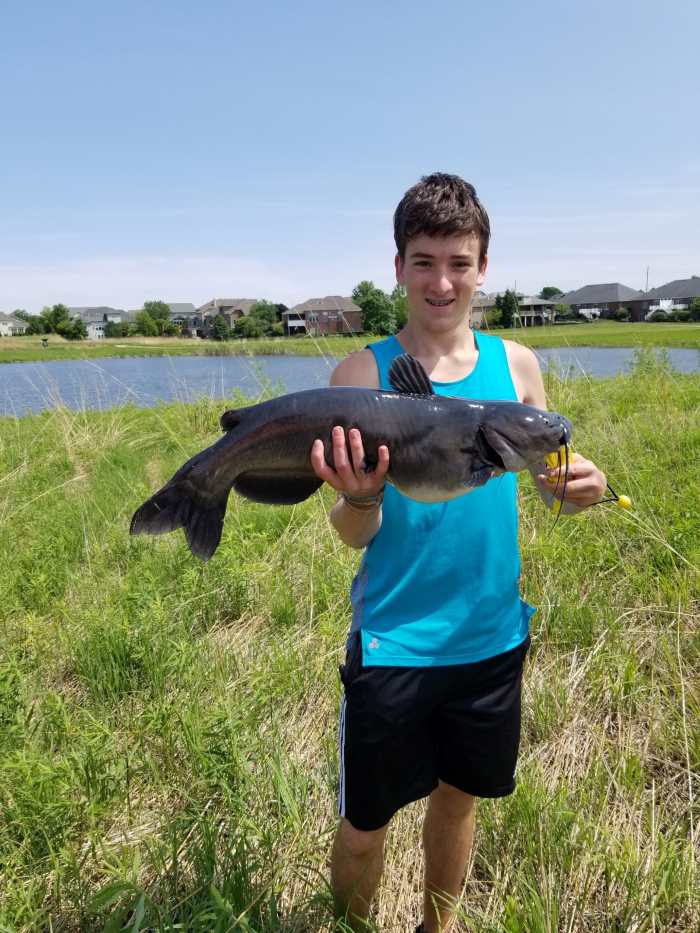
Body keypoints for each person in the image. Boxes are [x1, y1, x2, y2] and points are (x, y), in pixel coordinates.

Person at [310, 173, 606, 932]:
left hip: (490, 637)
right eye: (424, 260)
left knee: (458, 801)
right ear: (399, 265)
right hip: (395, 641)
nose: (442, 281)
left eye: (459, 262)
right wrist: (365, 496)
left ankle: (436, 929)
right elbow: (350, 532)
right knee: (365, 824)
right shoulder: (359, 377)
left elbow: (547, 482)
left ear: (483, 268)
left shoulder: (518, 367)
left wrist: (578, 487)